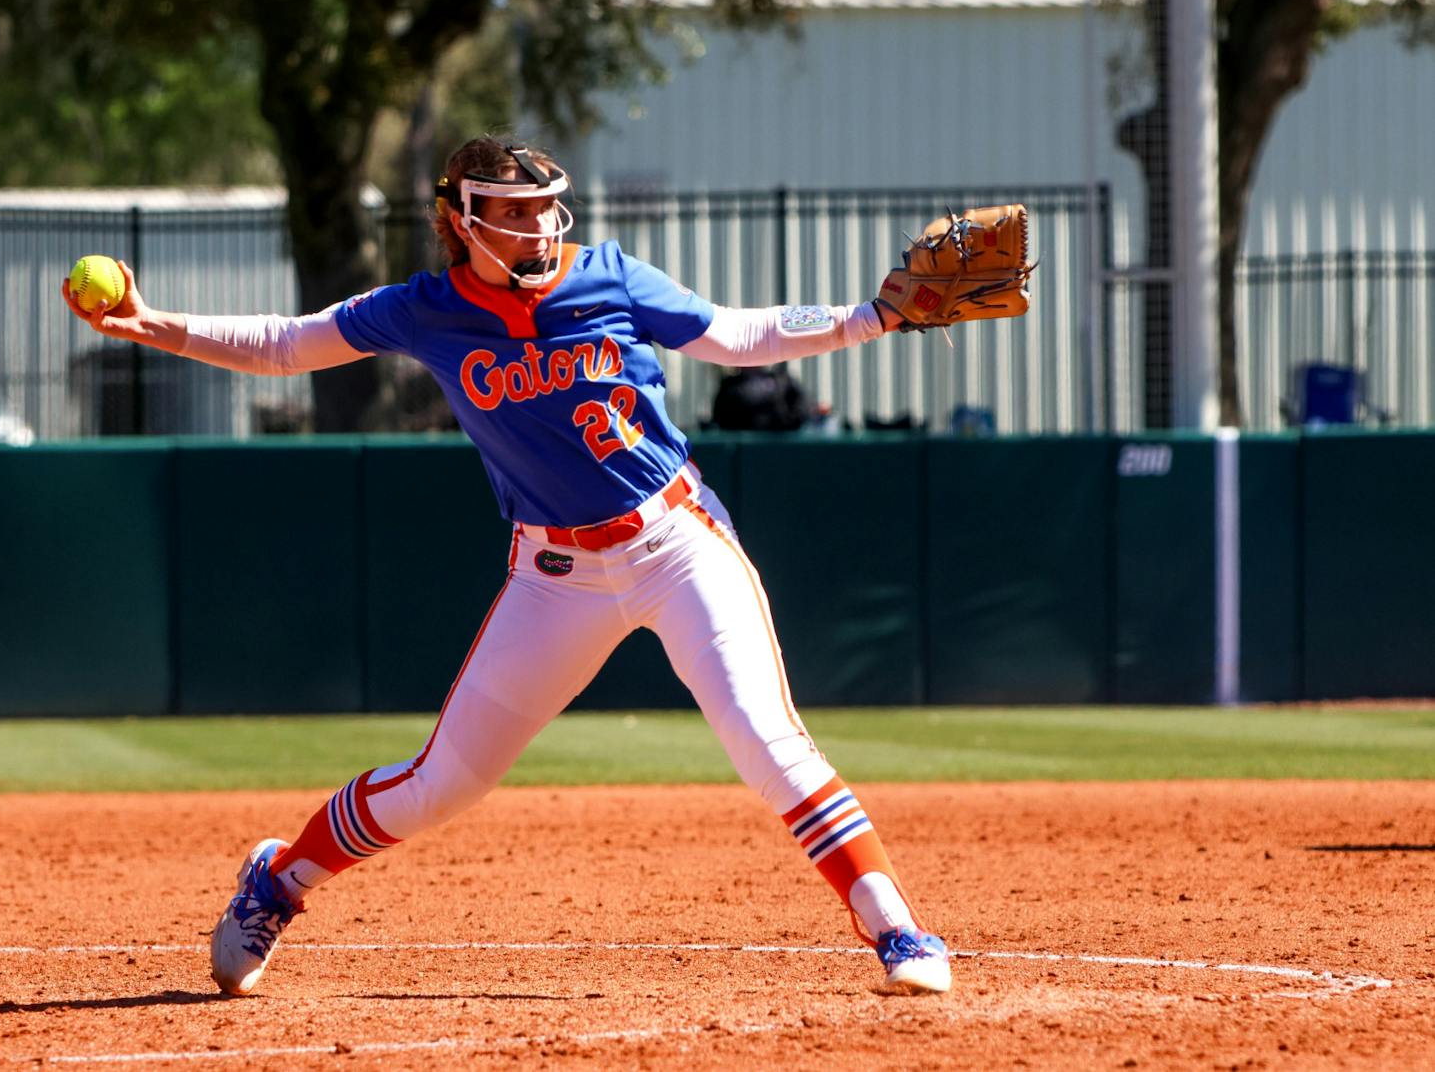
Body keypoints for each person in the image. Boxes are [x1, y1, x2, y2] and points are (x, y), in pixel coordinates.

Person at [61, 137, 951, 997]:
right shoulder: (425, 307)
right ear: (462, 220)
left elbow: (733, 335)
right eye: (515, 212)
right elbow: (288, 343)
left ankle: (895, 928)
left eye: (543, 208)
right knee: (441, 785)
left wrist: (870, 317)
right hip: (555, 576)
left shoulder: (609, 275)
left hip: (676, 541)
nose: (538, 226)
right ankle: (279, 879)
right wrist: (152, 326)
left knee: (767, 739)